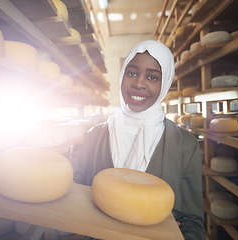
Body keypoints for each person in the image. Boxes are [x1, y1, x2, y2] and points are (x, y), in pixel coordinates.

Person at [74, 40, 205, 240]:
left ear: (165, 83)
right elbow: (77, 203)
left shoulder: (185, 145)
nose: (138, 83)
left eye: (152, 77)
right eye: (132, 73)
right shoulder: (95, 136)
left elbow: (192, 221)